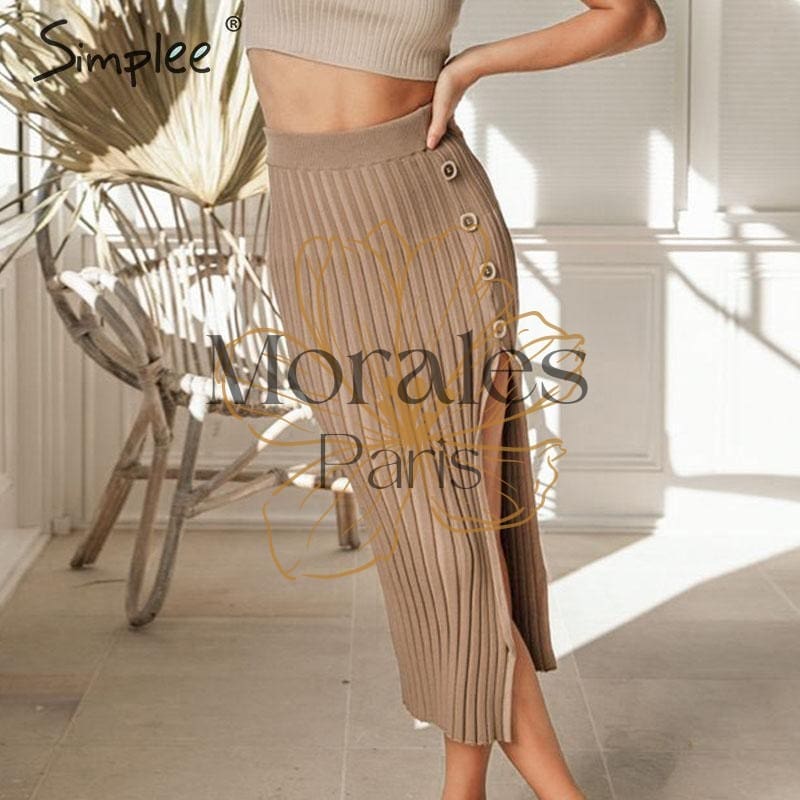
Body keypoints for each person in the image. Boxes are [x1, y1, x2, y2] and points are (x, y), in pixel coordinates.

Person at [243, 2, 666, 798]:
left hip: (427, 224)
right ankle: (462, 790)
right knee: (440, 544)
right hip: (311, 234)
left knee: (448, 542)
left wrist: (472, 64)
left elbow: (634, 18)